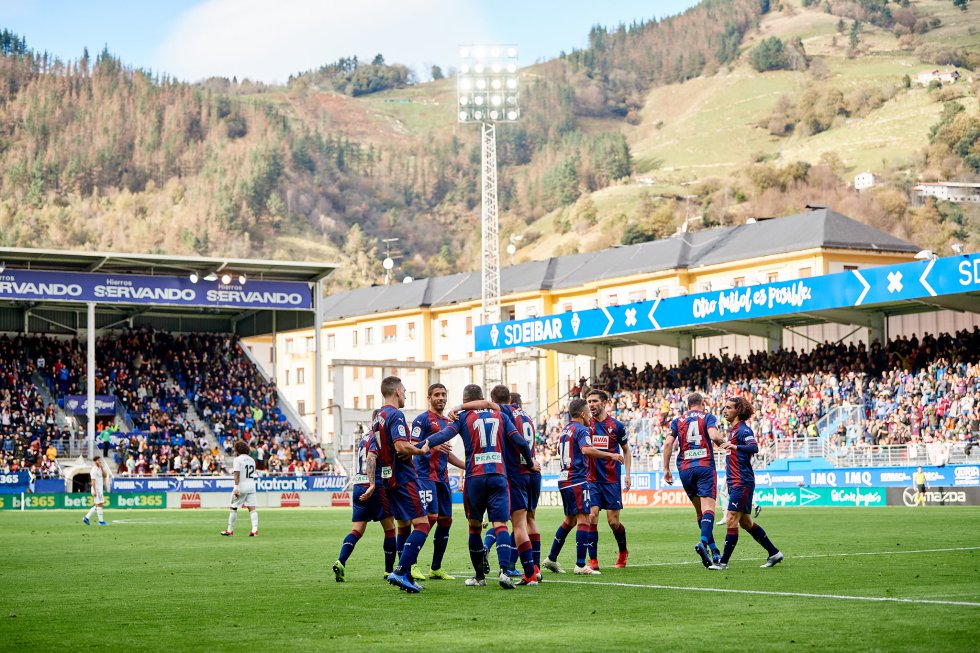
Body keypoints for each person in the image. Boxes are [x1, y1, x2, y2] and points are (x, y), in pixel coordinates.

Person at [423, 384, 535, 589]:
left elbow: (444, 436)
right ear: (482, 397)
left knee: (474, 528)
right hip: (498, 476)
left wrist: (425, 443)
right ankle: (503, 573)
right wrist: (529, 463)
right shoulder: (500, 415)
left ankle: (479, 577)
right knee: (500, 525)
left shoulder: (463, 417)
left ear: (465, 401)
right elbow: (520, 441)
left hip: (475, 477)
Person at [542, 398, 624, 575]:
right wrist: (611, 455)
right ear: (582, 414)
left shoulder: (565, 430)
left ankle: (551, 558)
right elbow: (586, 450)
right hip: (577, 479)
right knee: (584, 520)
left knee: (569, 520)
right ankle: (580, 565)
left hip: (564, 478)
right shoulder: (582, 429)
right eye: (587, 412)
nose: (589, 416)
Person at [710, 396, 783, 570]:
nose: (725, 410)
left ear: (738, 410)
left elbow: (754, 447)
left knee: (730, 518)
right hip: (736, 482)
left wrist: (735, 447)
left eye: (728, 407)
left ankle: (723, 562)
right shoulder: (733, 431)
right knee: (746, 523)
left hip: (742, 481)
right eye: (724, 407)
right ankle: (774, 553)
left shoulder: (743, 430)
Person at [373, 376, 431, 593]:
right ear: (397, 391)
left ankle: (405, 576)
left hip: (388, 478)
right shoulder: (396, 414)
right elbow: (400, 446)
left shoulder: (379, 416)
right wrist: (420, 450)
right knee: (423, 524)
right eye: (405, 391)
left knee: (404, 525)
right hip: (404, 477)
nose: (405, 395)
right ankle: (401, 570)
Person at [663, 392, 726, 568]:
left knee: (700, 512)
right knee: (709, 509)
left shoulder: (677, 420)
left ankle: (714, 552)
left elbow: (668, 444)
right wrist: (726, 443)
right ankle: (703, 542)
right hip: (705, 466)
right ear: (702, 403)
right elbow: (714, 436)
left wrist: (666, 469)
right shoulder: (708, 417)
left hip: (685, 469)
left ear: (688, 405)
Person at [333, 411, 397, 582]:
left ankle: (341, 561)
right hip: (373, 486)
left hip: (358, 486)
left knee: (357, 529)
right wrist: (373, 484)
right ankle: (388, 571)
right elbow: (371, 458)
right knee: (390, 528)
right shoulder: (379, 437)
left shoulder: (364, 437)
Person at [410, 384, 466, 581]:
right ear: (429, 397)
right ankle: (411, 564)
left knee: (446, 521)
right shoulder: (422, 420)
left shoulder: (447, 423)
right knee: (429, 519)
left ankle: (436, 568)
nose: (441, 398)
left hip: (442, 479)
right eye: (437, 395)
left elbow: (447, 455)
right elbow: (413, 446)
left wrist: (469, 466)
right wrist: (433, 445)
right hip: (424, 477)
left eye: (444, 394)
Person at [585, 389, 631, 569]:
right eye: (588, 402)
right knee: (592, 516)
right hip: (592, 479)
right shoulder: (586, 425)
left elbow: (626, 450)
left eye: (594, 401)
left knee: (613, 522)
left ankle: (623, 551)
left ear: (604, 403)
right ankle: (593, 560)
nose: (591, 405)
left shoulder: (616, 426)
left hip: (611, 480)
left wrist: (627, 474)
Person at [220, 440, 258, 537]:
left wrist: (236, 487)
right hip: (251, 485)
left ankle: (230, 530)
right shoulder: (251, 460)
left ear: (237, 449)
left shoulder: (237, 459)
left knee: (233, 507)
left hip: (241, 486)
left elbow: (237, 474)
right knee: (252, 508)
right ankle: (254, 530)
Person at [82, 455, 110, 526]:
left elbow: (105, 475)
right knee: (99, 504)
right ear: (95, 462)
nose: (99, 461)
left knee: (98, 504)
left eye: (100, 460)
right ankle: (101, 521)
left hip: (100, 489)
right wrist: (94, 490)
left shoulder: (100, 468)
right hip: (96, 489)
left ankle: (86, 518)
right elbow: (93, 481)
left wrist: (102, 467)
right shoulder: (93, 470)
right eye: (98, 460)